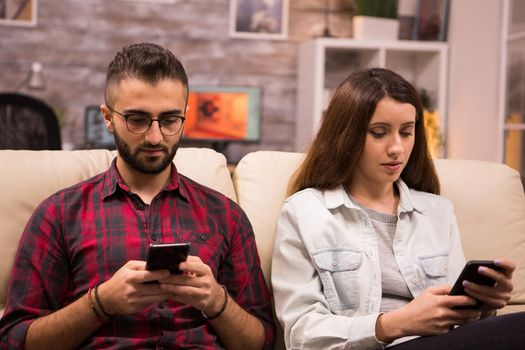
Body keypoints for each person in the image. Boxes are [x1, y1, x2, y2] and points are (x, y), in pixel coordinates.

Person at [0, 43, 274, 349]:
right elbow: (14, 340)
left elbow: (261, 341)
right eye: (137, 120)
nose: (155, 137)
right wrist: (101, 303)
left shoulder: (225, 215)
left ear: (185, 115)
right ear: (107, 117)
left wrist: (217, 302)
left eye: (170, 120)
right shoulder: (60, 214)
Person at [271, 67, 525, 349]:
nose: (397, 148)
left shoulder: (437, 211)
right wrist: (396, 323)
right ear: (347, 136)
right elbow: (301, 333)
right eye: (379, 133)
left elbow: (457, 317)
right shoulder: (304, 212)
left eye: (407, 132)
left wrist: (484, 305)